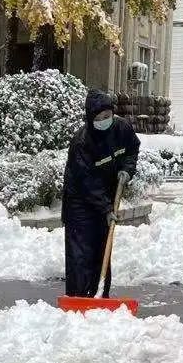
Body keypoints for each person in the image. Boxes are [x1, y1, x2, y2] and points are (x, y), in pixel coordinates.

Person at [61, 90, 140, 297]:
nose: (105, 121)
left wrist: (127, 169)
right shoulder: (82, 142)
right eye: (99, 118)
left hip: (106, 193)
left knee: (102, 248)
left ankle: (99, 298)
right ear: (90, 119)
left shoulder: (122, 128)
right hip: (80, 201)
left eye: (108, 116)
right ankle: (78, 299)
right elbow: (86, 181)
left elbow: (132, 149)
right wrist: (106, 207)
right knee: (81, 254)